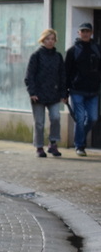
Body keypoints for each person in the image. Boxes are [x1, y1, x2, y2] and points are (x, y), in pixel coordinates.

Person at [25, 28, 66, 158]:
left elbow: (62, 76)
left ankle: (53, 143)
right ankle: (39, 147)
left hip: (53, 93)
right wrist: (32, 92)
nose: (50, 41)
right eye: (47, 39)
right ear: (43, 40)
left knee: (55, 117)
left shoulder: (58, 56)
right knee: (39, 122)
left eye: (52, 39)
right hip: (38, 95)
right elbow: (29, 76)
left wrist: (64, 93)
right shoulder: (36, 56)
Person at [64, 22, 99, 156]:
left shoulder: (97, 49)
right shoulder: (72, 51)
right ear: (78, 33)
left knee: (93, 118)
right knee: (79, 118)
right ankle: (80, 145)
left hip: (93, 91)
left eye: (87, 31)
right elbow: (66, 72)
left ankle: (80, 137)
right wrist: (64, 92)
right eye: (83, 31)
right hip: (77, 90)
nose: (85, 34)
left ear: (91, 33)